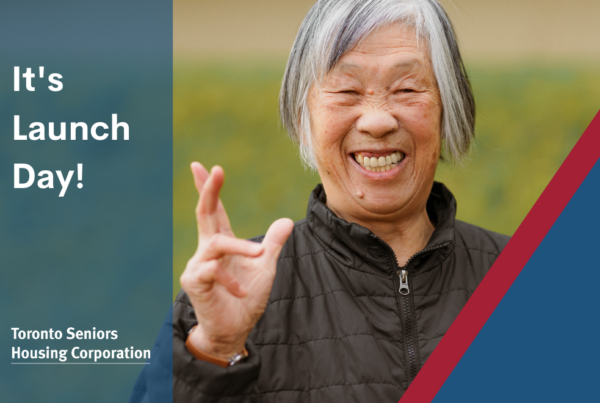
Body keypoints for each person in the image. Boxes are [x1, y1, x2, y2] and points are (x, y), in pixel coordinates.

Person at [135, 1, 510, 402]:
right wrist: (214, 352)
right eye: (347, 90)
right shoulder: (226, 300)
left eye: (406, 89)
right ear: (303, 120)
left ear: (447, 111)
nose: (377, 120)